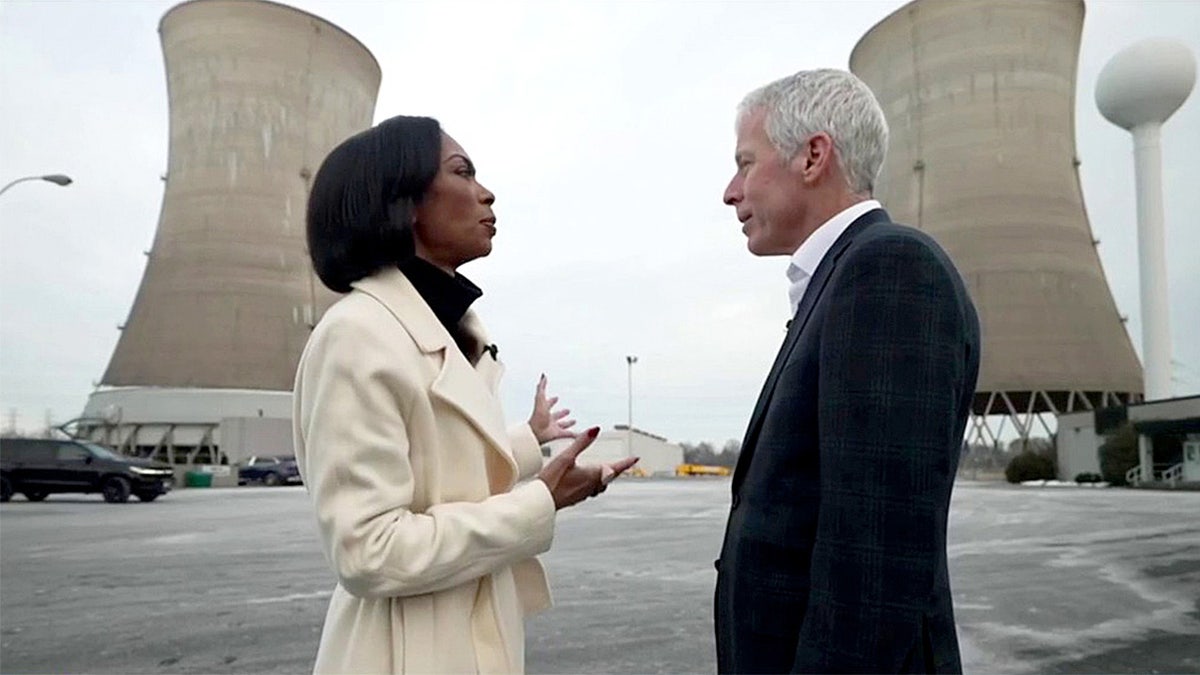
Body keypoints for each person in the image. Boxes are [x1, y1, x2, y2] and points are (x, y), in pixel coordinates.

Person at [295, 115, 638, 674]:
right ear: (403, 203)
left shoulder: (452, 332)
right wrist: (540, 501)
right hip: (403, 653)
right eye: (462, 172)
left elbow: (438, 467)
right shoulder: (357, 334)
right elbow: (369, 551)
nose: (487, 192)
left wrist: (531, 443)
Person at [714, 69, 981, 674]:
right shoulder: (841, 280)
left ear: (813, 156)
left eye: (745, 162)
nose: (731, 191)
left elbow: (873, 562)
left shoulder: (889, 270)